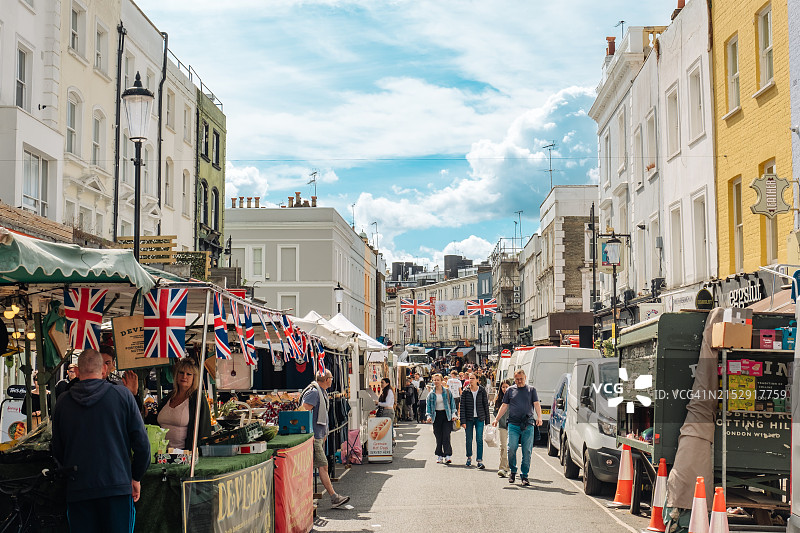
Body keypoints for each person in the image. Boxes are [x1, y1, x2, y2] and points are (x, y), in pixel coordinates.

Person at [52, 349, 150, 533]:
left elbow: (57, 448)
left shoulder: (63, 402)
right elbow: (142, 444)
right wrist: (136, 476)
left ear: (78, 371)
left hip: (78, 488)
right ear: (104, 369)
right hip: (116, 486)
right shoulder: (123, 395)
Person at [301, 370, 350, 508]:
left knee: (316, 466)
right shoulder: (315, 392)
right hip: (314, 436)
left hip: (318, 436)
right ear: (326, 379)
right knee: (323, 465)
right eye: (331, 378)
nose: (332, 380)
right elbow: (304, 411)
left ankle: (309, 498)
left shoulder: (320, 392)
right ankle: (334, 497)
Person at [145, 358, 211, 450]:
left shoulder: (198, 398)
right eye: (181, 372)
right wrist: (147, 414)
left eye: (188, 374)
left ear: (194, 378)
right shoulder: (169, 397)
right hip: (161, 453)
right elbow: (156, 423)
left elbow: (204, 430)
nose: (184, 376)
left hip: (185, 454)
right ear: (176, 375)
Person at [492, 369, 542, 486]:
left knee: (527, 451)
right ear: (514, 379)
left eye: (521, 379)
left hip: (528, 424)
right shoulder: (510, 390)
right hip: (513, 424)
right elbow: (504, 406)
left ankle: (524, 475)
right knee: (511, 448)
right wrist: (496, 419)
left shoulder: (531, 390)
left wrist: (539, 417)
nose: (519, 381)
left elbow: (536, 404)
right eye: (517, 379)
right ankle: (513, 471)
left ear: (525, 377)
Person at [458, 372, 490, 468]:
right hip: (468, 418)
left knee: (479, 439)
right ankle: (469, 457)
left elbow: (486, 405)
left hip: (480, 418)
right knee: (468, 439)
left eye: (472, 378)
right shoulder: (465, 391)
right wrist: (462, 421)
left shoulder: (482, 391)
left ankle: (479, 460)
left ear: (477, 380)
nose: (470, 380)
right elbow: (462, 407)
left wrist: (487, 421)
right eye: (469, 378)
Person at [425, 373, 456, 464]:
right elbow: (429, 406)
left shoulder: (447, 391)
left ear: (441, 381)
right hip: (436, 415)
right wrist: (429, 415)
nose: (436, 382)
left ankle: (447, 455)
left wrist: (453, 414)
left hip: (446, 415)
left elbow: (452, 403)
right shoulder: (431, 394)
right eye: (434, 380)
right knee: (438, 436)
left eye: (438, 380)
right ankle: (439, 455)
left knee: (446, 435)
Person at [494, 379, 512, 477]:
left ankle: (509, 467)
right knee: (503, 446)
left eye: (507, 387)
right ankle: (502, 467)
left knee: (510, 447)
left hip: (512, 425)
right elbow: (495, 411)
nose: (505, 389)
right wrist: (498, 419)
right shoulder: (499, 399)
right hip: (502, 425)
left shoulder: (513, 397)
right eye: (503, 387)